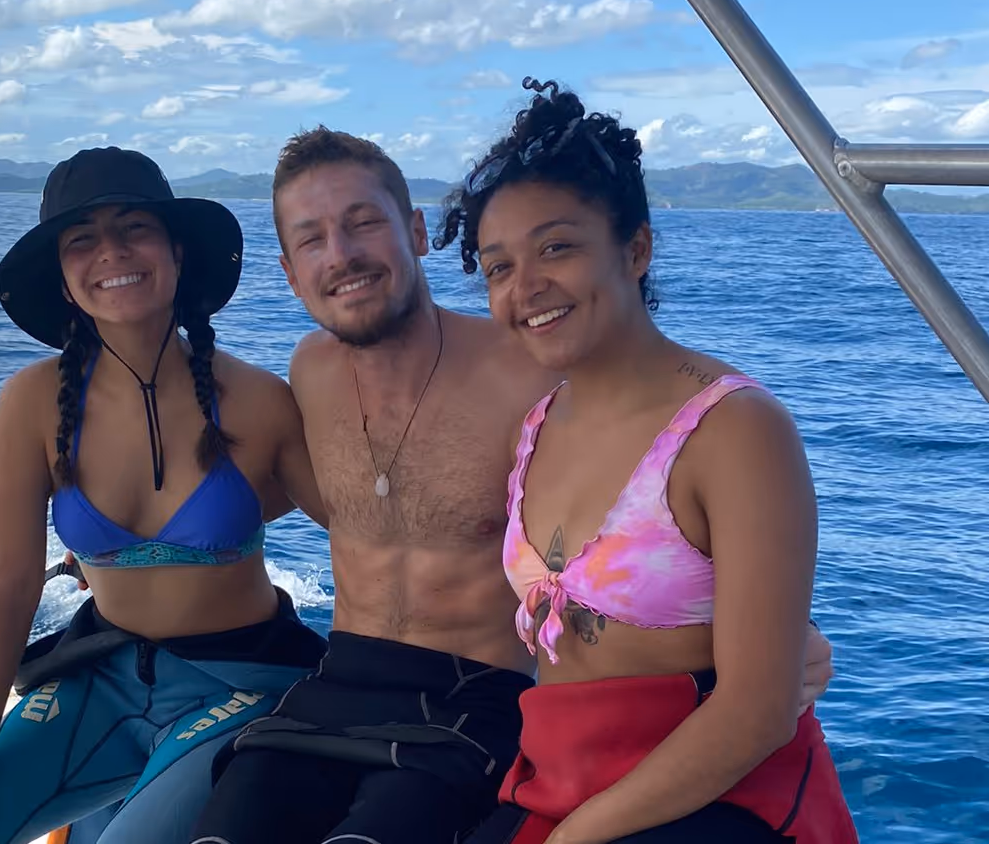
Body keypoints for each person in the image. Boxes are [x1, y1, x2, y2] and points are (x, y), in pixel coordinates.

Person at [189, 125, 837, 844]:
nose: (340, 254)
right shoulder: (314, 372)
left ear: (416, 232)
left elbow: (654, 490)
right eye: (313, 238)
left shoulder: (538, 374)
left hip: (484, 700)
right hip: (384, 697)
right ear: (288, 271)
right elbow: (349, 508)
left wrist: (786, 633)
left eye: (363, 222)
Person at [443, 80, 857, 843]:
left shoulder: (735, 428)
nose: (525, 286)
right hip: (559, 783)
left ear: (635, 249)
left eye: (557, 247)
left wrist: (573, 837)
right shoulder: (534, 427)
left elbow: (758, 713)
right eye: (498, 267)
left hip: (721, 802)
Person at [0, 147, 329, 844]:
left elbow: (360, 533)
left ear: (177, 251)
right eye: (82, 240)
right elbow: (10, 580)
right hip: (104, 674)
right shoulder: (31, 403)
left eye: (135, 227)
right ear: (64, 280)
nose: (111, 251)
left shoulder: (259, 400)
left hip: (245, 681)